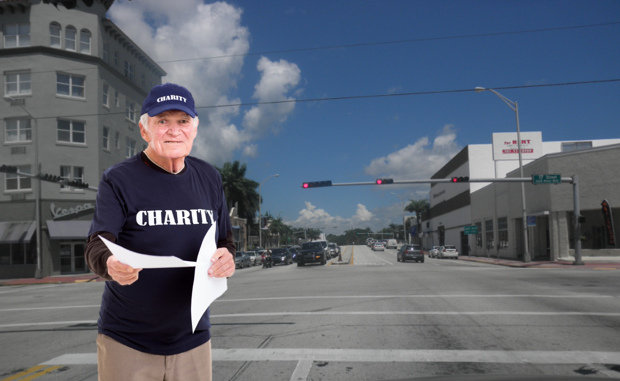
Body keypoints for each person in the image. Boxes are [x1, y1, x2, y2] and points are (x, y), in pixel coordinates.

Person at [85, 83, 235, 381]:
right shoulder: (118, 179)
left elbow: (225, 241)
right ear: (145, 130)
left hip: (193, 337)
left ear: (195, 128)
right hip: (128, 339)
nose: (174, 130)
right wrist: (110, 265)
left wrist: (227, 258)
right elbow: (97, 244)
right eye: (162, 121)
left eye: (183, 121)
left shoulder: (209, 177)